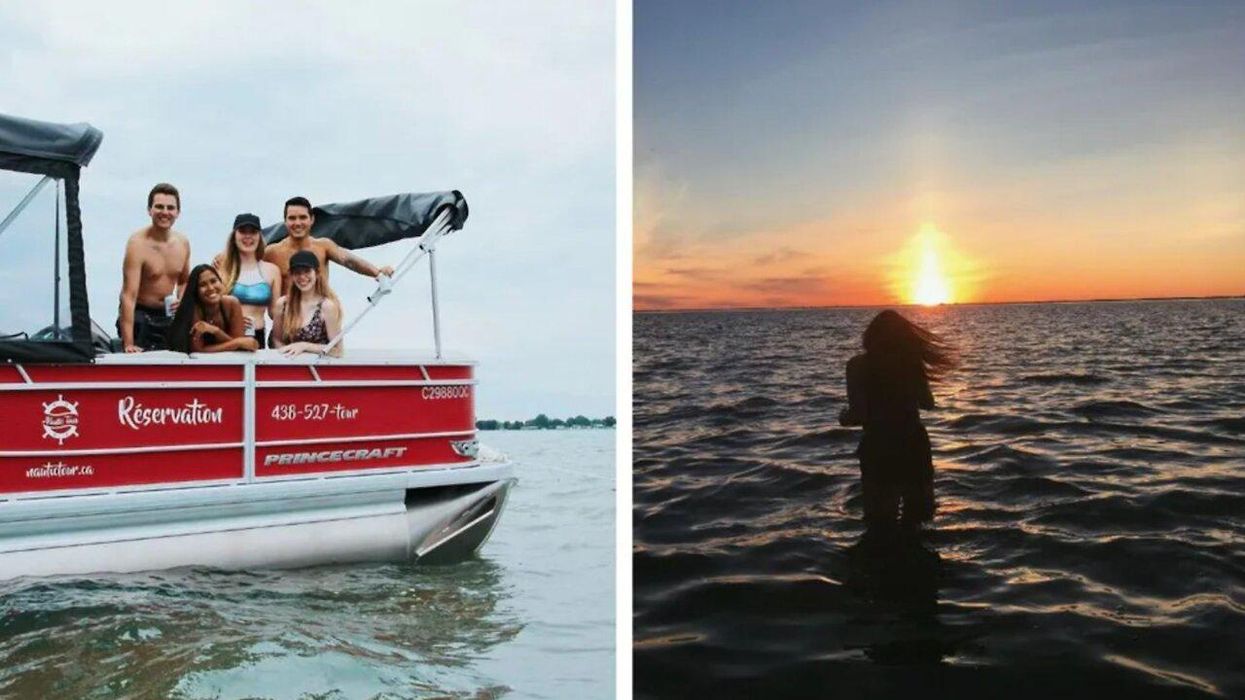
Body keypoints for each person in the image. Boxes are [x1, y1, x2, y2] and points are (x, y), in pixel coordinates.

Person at [839, 310, 955, 535]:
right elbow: (928, 404)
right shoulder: (911, 365)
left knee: (879, 521)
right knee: (919, 517)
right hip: (913, 442)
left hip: (879, 445)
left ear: (870, 336)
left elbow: (859, 414)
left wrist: (843, 417)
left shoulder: (858, 366)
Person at [263, 196, 394, 295]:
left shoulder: (323, 246)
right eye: (292, 218)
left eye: (302, 217)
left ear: (311, 220)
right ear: (285, 221)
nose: (297, 223)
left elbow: (347, 260)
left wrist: (377, 272)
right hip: (288, 324)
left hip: (320, 323)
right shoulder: (272, 252)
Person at [117, 183, 191, 352]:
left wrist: (181, 300)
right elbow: (128, 296)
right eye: (159, 207)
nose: (165, 212)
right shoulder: (137, 244)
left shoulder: (182, 243)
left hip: (166, 314)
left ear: (178, 213)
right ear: (149, 210)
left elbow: (183, 281)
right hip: (139, 313)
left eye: (170, 208)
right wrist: (128, 343)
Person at [212, 213, 281, 348]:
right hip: (226, 336)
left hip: (257, 336)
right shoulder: (221, 268)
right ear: (234, 236)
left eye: (253, 232)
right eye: (243, 231)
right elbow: (211, 308)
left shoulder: (272, 270)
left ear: (260, 237)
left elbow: (275, 313)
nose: (248, 236)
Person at [167, 264, 259, 354]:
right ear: (196, 291)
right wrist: (237, 343)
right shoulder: (194, 308)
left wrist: (216, 331)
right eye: (203, 285)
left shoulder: (231, 303)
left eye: (213, 281)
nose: (210, 288)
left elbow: (245, 345)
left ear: (221, 282)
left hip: (227, 362)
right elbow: (197, 350)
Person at [271, 250, 343, 357]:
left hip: (318, 369)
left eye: (307, 271)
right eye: (297, 272)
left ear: (317, 273)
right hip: (288, 367)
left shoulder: (327, 306)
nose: (302, 277)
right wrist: (287, 357)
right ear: (291, 275)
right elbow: (276, 339)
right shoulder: (282, 304)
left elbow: (337, 350)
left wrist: (304, 346)